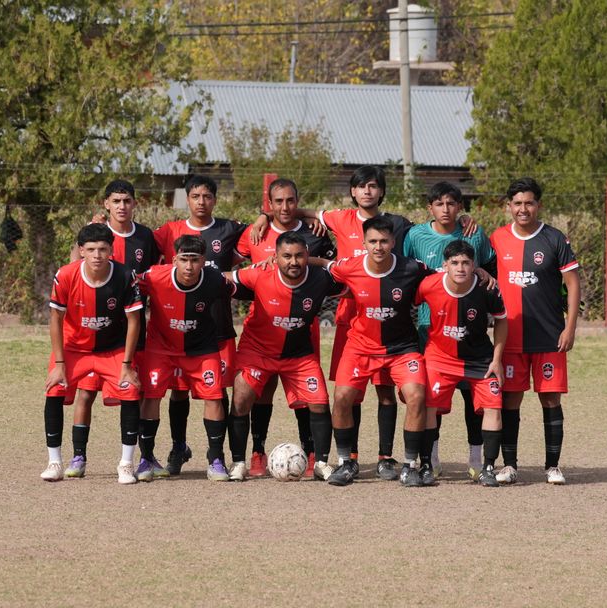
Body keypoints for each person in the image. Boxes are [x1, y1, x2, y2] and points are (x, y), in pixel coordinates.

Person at [253, 166, 413, 481]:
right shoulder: (340, 218)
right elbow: (295, 210)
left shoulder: (397, 224)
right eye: (361, 186)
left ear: (381, 191)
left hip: (387, 320)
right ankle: (350, 457)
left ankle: (385, 457)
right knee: (350, 392)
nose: (367, 191)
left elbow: (431, 230)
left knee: (385, 391)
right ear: (352, 191)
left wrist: (463, 219)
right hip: (350, 318)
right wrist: (263, 215)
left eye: (373, 186)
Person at [308, 215, 438, 487]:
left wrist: (480, 272)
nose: (378, 247)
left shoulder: (412, 267)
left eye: (384, 241)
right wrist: (298, 259)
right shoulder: (350, 267)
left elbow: (443, 275)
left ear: (393, 242)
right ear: (364, 243)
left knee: (416, 396)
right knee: (342, 397)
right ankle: (346, 462)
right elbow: (326, 264)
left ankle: (409, 466)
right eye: (373, 241)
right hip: (361, 347)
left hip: (402, 349)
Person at [234, 178, 336, 477]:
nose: (285, 206)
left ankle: (313, 453)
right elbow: (231, 267)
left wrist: (313, 238)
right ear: (269, 204)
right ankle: (256, 452)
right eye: (278, 201)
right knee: (259, 393)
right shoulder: (255, 233)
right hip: (262, 330)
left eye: (291, 200)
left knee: (307, 397)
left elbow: (335, 270)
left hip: (302, 330)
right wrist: (261, 219)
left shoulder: (314, 233)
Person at [152, 175, 248, 475]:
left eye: (207, 196)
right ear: (187, 199)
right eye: (195, 196)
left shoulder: (230, 229)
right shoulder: (169, 231)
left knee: (217, 391)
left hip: (217, 327)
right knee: (178, 391)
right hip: (179, 331)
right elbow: (134, 239)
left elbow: (264, 237)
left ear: (215, 199)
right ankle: (179, 447)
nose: (201, 202)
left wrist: (261, 218)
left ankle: (217, 455)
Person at [65, 179, 160, 478]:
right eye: (116, 201)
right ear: (106, 204)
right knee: (86, 392)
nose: (121, 206)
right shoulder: (97, 234)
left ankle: (144, 458)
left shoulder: (145, 236)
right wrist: (84, 233)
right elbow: (73, 267)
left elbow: (155, 274)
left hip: (132, 328)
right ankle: (78, 457)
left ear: (134, 204)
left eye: (127, 201)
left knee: (135, 391)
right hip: (95, 330)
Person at [489, 177, 580, 485]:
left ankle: (552, 466)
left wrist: (570, 328)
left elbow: (573, 283)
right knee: (510, 400)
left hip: (549, 336)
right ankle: (509, 465)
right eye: (517, 203)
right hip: (511, 336)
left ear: (538, 205)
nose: (523, 209)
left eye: (529, 203)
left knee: (551, 400)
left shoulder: (555, 239)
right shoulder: (497, 238)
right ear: (509, 206)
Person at [403, 181, 496, 480]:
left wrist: (484, 271)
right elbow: (404, 272)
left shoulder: (473, 233)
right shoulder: (415, 235)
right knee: (433, 401)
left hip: (470, 335)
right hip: (430, 331)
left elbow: (491, 268)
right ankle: (431, 459)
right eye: (439, 203)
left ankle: (476, 459)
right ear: (429, 207)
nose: (446, 209)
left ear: (460, 207)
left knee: (472, 400)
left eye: (451, 203)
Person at [41, 223, 142, 484]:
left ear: (111, 250)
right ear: (81, 250)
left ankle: (126, 464)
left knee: (130, 390)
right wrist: (59, 363)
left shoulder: (125, 275)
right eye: (91, 249)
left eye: (103, 249)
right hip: (74, 349)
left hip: (112, 350)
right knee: (54, 389)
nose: (97, 255)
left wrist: (127, 364)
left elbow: (134, 320)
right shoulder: (65, 275)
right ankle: (54, 462)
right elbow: (55, 318)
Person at [135, 235, 237, 481]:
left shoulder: (215, 279)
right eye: (184, 260)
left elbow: (241, 287)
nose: (189, 266)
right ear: (174, 260)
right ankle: (146, 459)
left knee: (214, 397)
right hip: (161, 348)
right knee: (151, 396)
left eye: (194, 260)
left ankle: (216, 460)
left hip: (202, 349)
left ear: (204, 261)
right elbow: (125, 283)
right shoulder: (154, 276)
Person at [415, 240, 507, 487]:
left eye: (466, 263)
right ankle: (428, 464)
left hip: (480, 359)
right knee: (429, 406)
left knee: (493, 407)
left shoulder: (487, 288)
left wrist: (497, 360)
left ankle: (485, 467)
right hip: (440, 357)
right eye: (454, 263)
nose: (460, 268)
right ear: (445, 265)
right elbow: (406, 302)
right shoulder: (429, 285)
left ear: (474, 265)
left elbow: (502, 320)